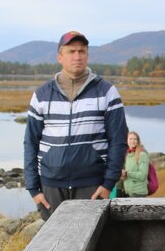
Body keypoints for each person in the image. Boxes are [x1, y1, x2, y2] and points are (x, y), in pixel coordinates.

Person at [24, 31, 127, 220]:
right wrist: (33, 188)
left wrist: (108, 185)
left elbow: (118, 141)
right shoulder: (42, 94)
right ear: (60, 57)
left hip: (92, 184)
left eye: (82, 51)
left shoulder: (107, 92)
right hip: (51, 185)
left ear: (87, 55)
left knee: (92, 244)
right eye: (71, 51)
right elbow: (30, 142)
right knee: (55, 243)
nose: (77, 56)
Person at [121, 131, 151, 197]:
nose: (133, 141)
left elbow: (142, 175)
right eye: (130, 139)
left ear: (138, 141)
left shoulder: (142, 155)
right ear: (127, 140)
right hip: (128, 192)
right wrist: (123, 175)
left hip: (138, 193)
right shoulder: (128, 155)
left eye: (135, 139)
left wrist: (127, 173)